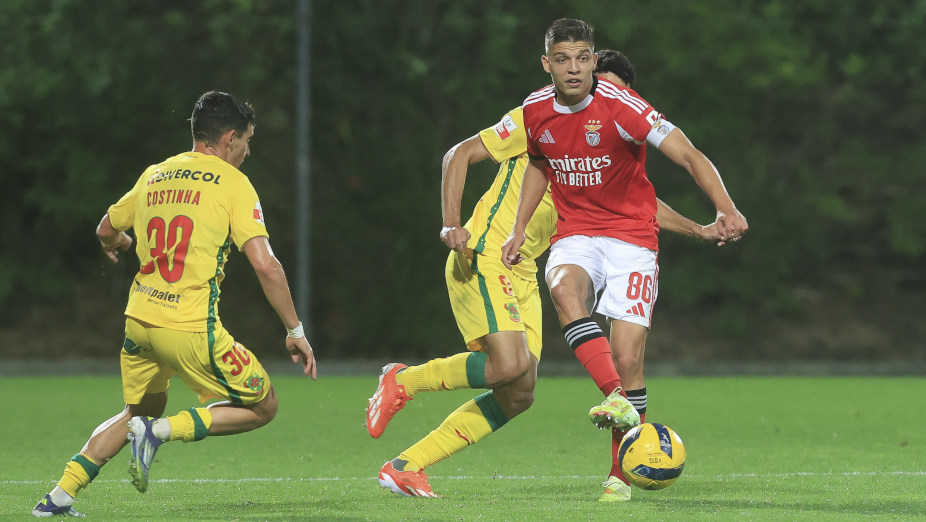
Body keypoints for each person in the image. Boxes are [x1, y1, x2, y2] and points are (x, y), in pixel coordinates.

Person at [365, 52, 725, 498]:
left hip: (524, 270)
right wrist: (450, 223)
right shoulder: (537, 116)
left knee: (519, 393)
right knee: (510, 364)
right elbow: (459, 154)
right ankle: (404, 380)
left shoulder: (612, 137)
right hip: (486, 253)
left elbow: (639, 205)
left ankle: (407, 466)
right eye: (598, 84)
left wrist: (697, 228)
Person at [31, 91, 317, 517]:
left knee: (135, 412)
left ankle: (59, 496)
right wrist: (295, 330)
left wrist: (120, 241)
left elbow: (106, 227)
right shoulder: (233, 183)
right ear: (230, 138)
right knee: (263, 405)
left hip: (139, 321)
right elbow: (266, 266)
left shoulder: (156, 174)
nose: (248, 151)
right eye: (247, 141)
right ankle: (160, 431)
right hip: (189, 326)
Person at [500, 19, 749, 502]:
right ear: (547, 64)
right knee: (563, 288)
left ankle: (619, 472)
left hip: (632, 239)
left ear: (594, 61)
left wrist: (725, 207)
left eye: (583, 58)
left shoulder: (622, 105)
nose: (574, 68)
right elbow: (538, 163)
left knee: (629, 357)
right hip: (576, 233)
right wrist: (518, 228)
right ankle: (618, 398)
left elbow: (689, 155)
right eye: (563, 59)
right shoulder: (534, 109)